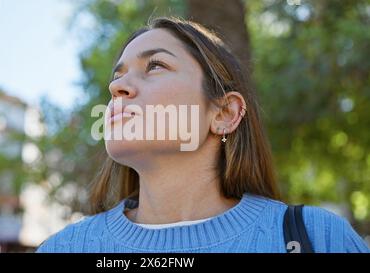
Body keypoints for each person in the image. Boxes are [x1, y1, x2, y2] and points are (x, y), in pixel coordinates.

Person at [36, 16, 369, 253]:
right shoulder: (63, 248)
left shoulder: (318, 238)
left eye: (155, 66)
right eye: (118, 75)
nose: (116, 86)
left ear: (224, 114)